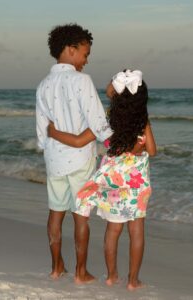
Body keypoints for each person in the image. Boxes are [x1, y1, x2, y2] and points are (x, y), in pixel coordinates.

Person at [48, 69, 157, 290]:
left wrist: (52, 132)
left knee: (113, 230)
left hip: (114, 183)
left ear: (117, 93)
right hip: (137, 185)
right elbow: (152, 151)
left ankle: (111, 275)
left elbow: (80, 141)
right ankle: (133, 281)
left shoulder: (108, 120)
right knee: (136, 232)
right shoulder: (143, 121)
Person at [36, 23, 112, 282]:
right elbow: (97, 120)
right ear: (70, 49)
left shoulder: (43, 85)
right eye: (85, 53)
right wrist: (112, 141)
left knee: (55, 212)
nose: (86, 60)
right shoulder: (82, 81)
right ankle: (81, 271)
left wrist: (50, 146)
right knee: (81, 216)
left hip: (54, 160)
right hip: (80, 160)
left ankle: (56, 267)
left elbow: (42, 131)